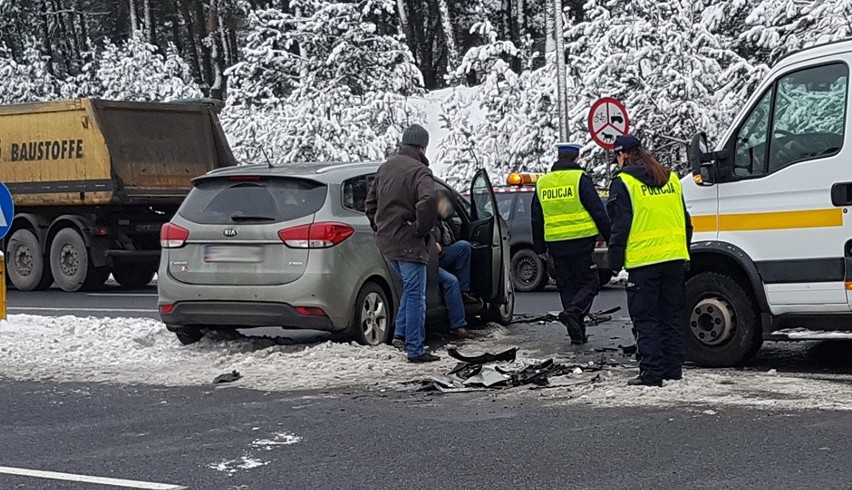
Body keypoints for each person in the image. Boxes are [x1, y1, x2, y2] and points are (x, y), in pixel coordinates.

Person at [607, 134, 692, 387]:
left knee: (646, 320)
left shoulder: (624, 182)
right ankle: (673, 370)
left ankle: (651, 374)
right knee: (671, 317)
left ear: (622, 155)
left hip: (644, 262)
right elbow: (685, 221)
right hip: (675, 258)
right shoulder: (671, 178)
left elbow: (620, 225)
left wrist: (614, 259)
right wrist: (684, 250)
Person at [365, 124, 440, 363]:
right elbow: (428, 201)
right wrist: (421, 228)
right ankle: (416, 349)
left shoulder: (385, 168)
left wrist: (380, 227)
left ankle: (399, 333)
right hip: (409, 243)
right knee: (417, 294)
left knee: (409, 287)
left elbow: (370, 204)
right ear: (423, 146)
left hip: (387, 244)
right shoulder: (420, 172)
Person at [532, 143, 612, 344]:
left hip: (556, 245)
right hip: (581, 242)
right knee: (590, 283)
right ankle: (573, 313)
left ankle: (577, 333)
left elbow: (536, 217)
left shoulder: (543, 183)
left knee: (567, 286)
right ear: (576, 159)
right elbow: (597, 210)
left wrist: (540, 248)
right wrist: (612, 238)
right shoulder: (580, 179)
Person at [432, 191, 479, 340]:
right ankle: (458, 326)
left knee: (464, 247)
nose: (449, 210)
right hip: (428, 260)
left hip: (441, 254)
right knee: (451, 282)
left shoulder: (444, 221)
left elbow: (452, 238)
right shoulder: (427, 217)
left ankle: (465, 292)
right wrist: (433, 245)